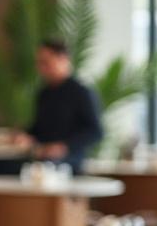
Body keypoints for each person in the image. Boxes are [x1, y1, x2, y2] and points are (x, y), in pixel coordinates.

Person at [14, 41, 103, 173]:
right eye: (38, 63)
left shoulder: (81, 92)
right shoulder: (44, 93)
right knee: (4, 165)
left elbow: (95, 132)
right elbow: (38, 129)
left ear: (63, 59)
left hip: (69, 159)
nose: (40, 68)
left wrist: (63, 147)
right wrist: (24, 135)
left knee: (46, 167)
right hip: (41, 155)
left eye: (45, 62)